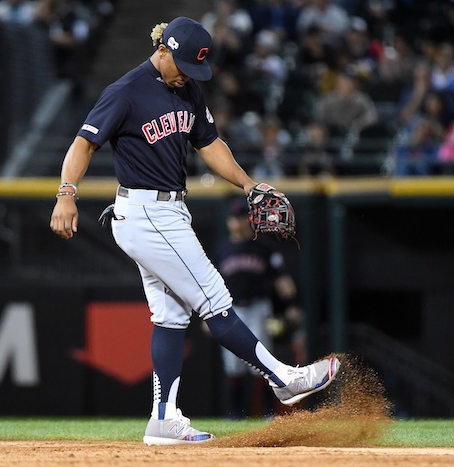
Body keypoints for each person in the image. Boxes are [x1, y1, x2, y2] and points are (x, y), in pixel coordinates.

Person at [49, 17, 339, 446]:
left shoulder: (187, 89)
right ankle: (284, 378)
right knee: (214, 299)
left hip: (168, 213)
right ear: (163, 49)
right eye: (183, 63)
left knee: (171, 315)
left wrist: (246, 183)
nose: (188, 74)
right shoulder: (126, 91)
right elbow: (83, 143)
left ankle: (163, 420)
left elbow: (210, 144)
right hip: (146, 213)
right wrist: (66, 192)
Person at [212, 199, 304, 419]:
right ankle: (235, 414)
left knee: (261, 363)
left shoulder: (263, 247)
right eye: (234, 217)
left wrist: (291, 305)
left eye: (242, 217)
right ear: (228, 221)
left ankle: (267, 413)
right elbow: (210, 285)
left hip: (258, 307)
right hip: (231, 309)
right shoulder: (221, 250)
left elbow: (282, 280)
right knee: (233, 364)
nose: (238, 222)